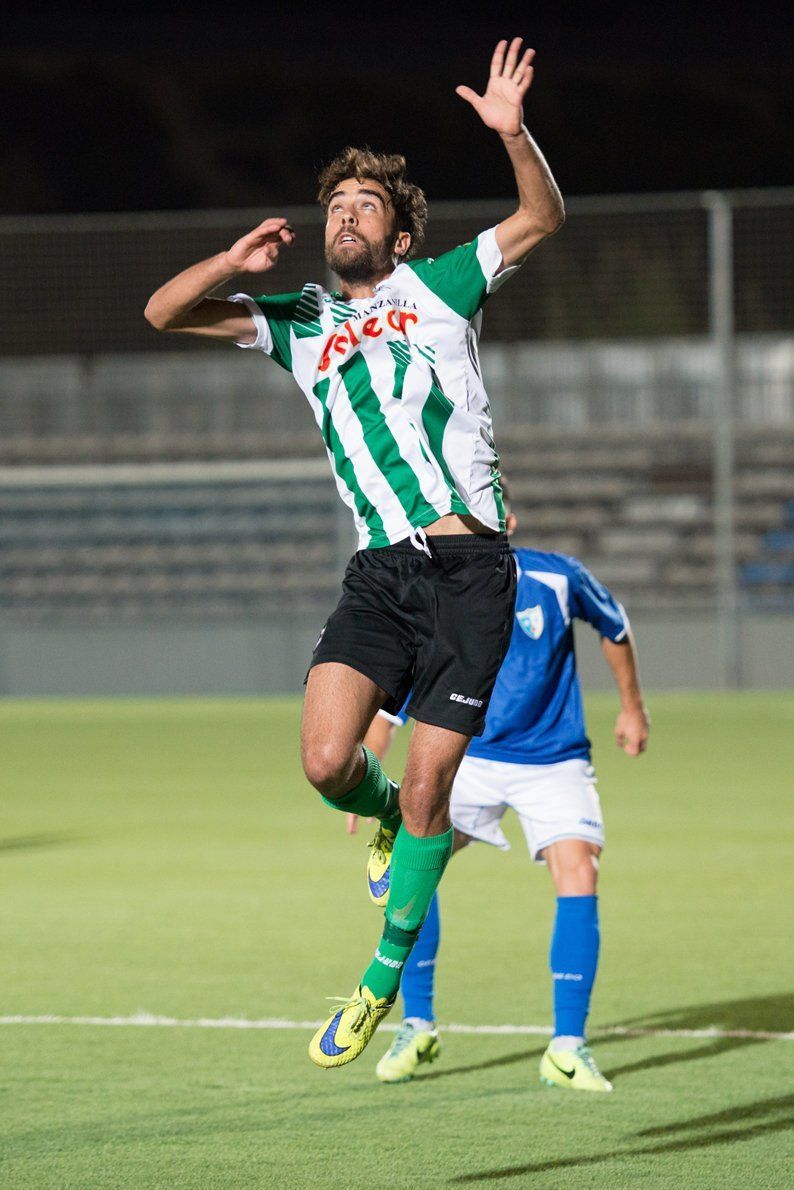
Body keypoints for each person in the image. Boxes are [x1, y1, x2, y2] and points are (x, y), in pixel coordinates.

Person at [144, 38, 564, 1069]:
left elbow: (543, 216)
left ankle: (380, 979)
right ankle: (383, 823)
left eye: (366, 204)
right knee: (329, 760)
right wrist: (234, 265)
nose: (344, 214)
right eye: (336, 204)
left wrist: (513, 138)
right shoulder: (297, 319)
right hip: (379, 569)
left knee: (431, 792)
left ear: (402, 230)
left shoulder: (443, 287)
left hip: (469, 572)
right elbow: (162, 312)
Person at [350, 492, 650, 1091]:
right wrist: (368, 766)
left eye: (492, 510)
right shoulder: (440, 586)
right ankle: (418, 1026)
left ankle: (567, 1046)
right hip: (470, 757)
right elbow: (405, 680)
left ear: (507, 520)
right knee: (413, 865)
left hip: (553, 758)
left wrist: (632, 708)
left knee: (579, 872)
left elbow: (615, 624)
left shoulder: (558, 576)